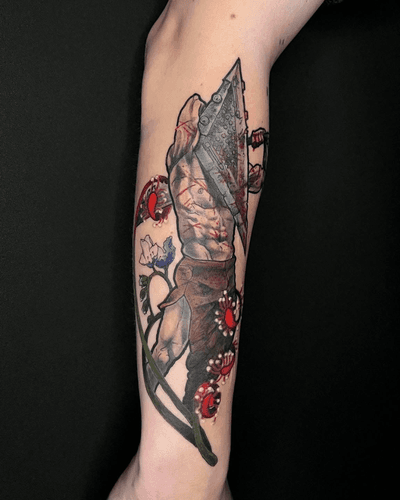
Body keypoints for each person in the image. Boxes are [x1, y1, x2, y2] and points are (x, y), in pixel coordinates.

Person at [109, 1, 327, 498]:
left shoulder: (205, 158)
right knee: (170, 350)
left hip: (216, 276)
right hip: (197, 272)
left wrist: (177, 474)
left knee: (184, 436)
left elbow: (211, 24)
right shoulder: (187, 160)